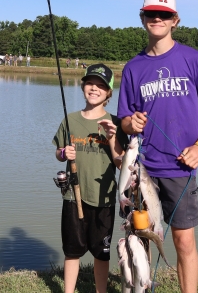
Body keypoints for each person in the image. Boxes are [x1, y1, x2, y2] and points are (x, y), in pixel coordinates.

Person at [117, 0, 198, 293]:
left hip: (179, 168)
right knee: (140, 238)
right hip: (142, 170)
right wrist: (129, 122)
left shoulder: (193, 59)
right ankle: (142, 287)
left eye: (164, 15)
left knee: (183, 240)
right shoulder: (133, 68)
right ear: (142, 17)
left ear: (175, 20)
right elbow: (124, 119)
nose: (157, 18)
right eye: (151, 13)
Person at [52, 64, 128, 293]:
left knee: (101, 253)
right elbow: (57, 153)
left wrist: (113, 137)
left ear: (108, 93)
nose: (94, 89)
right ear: (83, 86)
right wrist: (64, 153)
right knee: (72, 251)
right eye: (90, 84)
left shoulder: (116, 122)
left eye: (101, 86)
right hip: (73, 197)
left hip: (104, 199)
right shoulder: (70, 120)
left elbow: (120, 163)